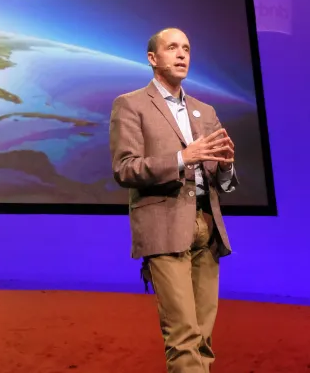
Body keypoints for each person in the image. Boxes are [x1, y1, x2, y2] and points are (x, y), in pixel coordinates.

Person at [108, 27, 238, 373]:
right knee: (182, 336)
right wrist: (183, 158)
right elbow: (125, 169)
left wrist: (225, 168)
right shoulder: (130, 104)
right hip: (165, 229)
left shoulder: (204, 110)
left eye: (186, 49)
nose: (181, 55)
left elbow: (220, 179)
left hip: (206, 229)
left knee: (203, 339)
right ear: (153, 59)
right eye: (172, 48)